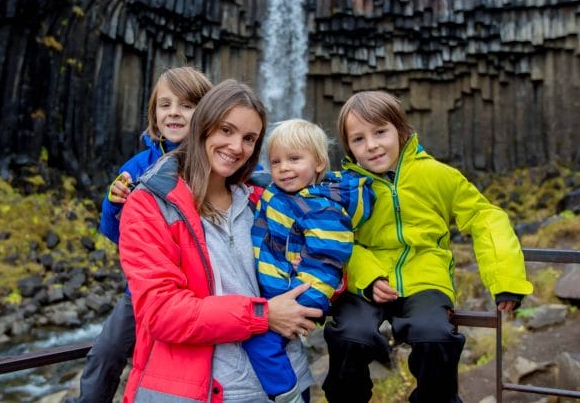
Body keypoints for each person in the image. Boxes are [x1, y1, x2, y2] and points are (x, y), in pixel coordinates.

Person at [322, 91, 534, 403]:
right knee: (350, 336)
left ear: (401, 130)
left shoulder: (437, 175)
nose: (372, 145)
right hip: (365, 281)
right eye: (358, 139)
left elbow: (485, 217)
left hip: (425, 278)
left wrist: (506, 282)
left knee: (434, 335)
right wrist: (367, 277)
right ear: (349, 148)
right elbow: (333, 236)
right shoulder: (344, 186)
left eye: (380, 132)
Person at [119, 80, 322, 403]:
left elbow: (331, 259)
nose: (237, 147)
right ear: (203, 125)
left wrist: (313, 273)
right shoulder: (150, 204)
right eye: (226, 130)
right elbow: (161, 312)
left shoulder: (265, 199)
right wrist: (262, 315)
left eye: (249, 138)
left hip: (289, 382)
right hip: (204, 391)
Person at [73, 66, 212, 403]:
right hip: (144, 287)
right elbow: (115, 234)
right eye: (165, 105)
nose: (174, 113)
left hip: (201, 287)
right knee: (105, 353)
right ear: (154, 112)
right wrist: (113, 203)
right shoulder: (136, 166)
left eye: (186, 105)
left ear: (207, 111)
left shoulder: (212, 161)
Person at [245, 119, 373, 402]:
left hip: (298, 295)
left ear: (318, 163)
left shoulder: (322, 207)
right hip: (276, 290)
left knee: (260, 343)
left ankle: (287, 396)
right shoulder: (281, 193)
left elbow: (327, 260)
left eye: (294, 159)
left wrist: (301, 304)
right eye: (275, 161)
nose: (283, 168)